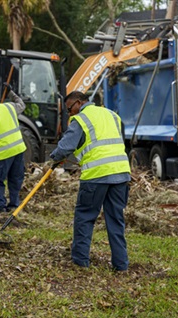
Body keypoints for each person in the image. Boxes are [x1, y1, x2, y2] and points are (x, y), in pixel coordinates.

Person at [50, 91, 131, 271]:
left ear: (78, 103)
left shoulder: (81, 120)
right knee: (116, 220)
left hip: (96, 175)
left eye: (70, 109)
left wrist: (55, 157)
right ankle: (121, 265)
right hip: (121, 173)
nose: (70, 113)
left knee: (85, 217)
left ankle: (80, 262)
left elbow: (65, 147)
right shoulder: (112, 115)